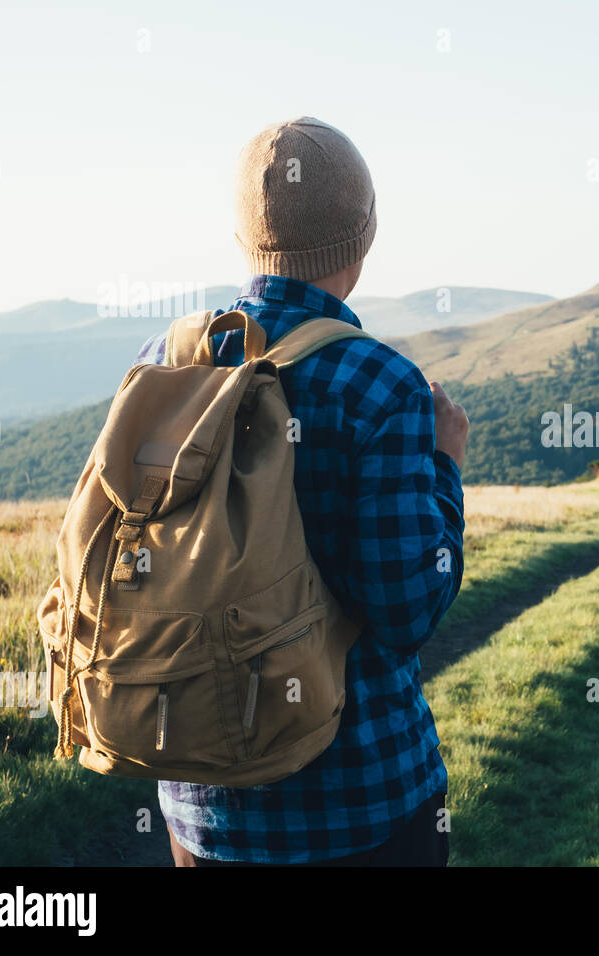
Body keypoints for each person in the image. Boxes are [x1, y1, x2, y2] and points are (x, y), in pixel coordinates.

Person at [132, 116, 469, 866]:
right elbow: (407, 608)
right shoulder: (380, 382)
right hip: (362, 800)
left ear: (246, 238)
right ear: (364, 235)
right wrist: (445, 465)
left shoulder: (166, 360)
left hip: (201, 803)